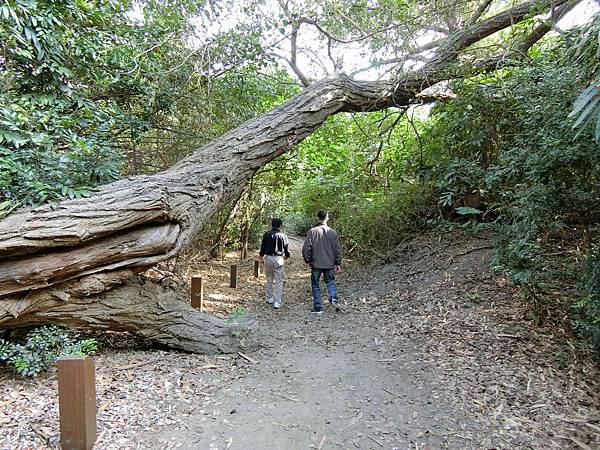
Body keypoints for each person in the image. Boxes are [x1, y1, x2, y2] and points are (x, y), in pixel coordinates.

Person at [302, 210, 341, 314]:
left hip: (316, 263)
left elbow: (306, 248)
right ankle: (333, 298)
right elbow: (337, 249)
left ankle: (318, 307)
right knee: (330, 282)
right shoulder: (333, 232)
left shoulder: (312, 231)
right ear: (327, 218)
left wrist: (308, 260)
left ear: (317, 217)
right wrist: (338, 263)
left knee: (315, 284)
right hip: (329, 264)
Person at [259, 218, 290, 309]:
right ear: (280, 225)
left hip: (268, 258)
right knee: (279, 281)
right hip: (279, 258)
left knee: (269, 278)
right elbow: (286, 248)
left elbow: (262, 248)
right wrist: (286, 256)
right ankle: (277, 301)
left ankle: (269, 298)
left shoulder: (266, 234)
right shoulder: (283, 236)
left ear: (271, 225)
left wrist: (261, 257)